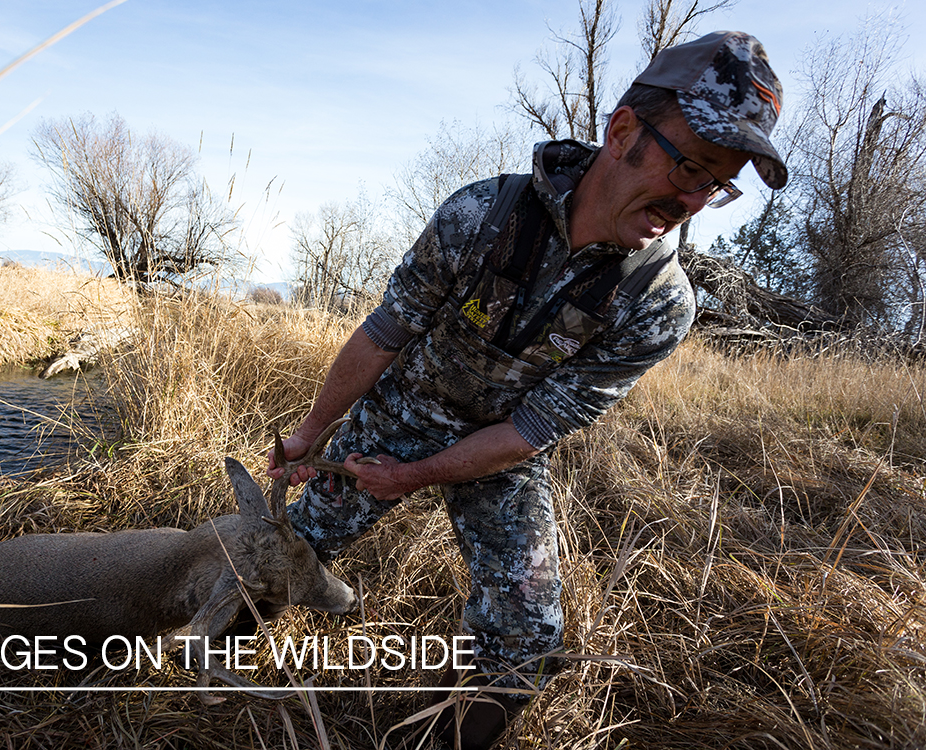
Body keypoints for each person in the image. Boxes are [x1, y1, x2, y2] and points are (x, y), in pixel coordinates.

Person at [269, 30, 787, 749]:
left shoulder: (660, 304)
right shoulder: (481, 215)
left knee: (527, 637)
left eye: (715, 184)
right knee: (288, 548)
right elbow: (386, 332)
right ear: (621, 131)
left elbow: (532, 430)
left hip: (501, 449)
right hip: (402, 408)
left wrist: (412, 478)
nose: (691, 199)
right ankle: (185, 665)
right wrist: (311, 433)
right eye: (690, 166)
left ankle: (440, 737)